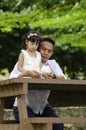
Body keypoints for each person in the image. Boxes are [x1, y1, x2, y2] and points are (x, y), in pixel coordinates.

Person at [10, 36, 66, 130]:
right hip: (23, 106)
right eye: (43, 49)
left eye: (49, 51)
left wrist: (53, 77)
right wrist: (26, 73)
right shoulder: (25, 60)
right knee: (32, 126)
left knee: (58, 126)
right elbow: (11, 78)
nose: (46, 53)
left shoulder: (52, 64)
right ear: (37, 48)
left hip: (42, 106)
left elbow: (63, 78)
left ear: (52, 53)